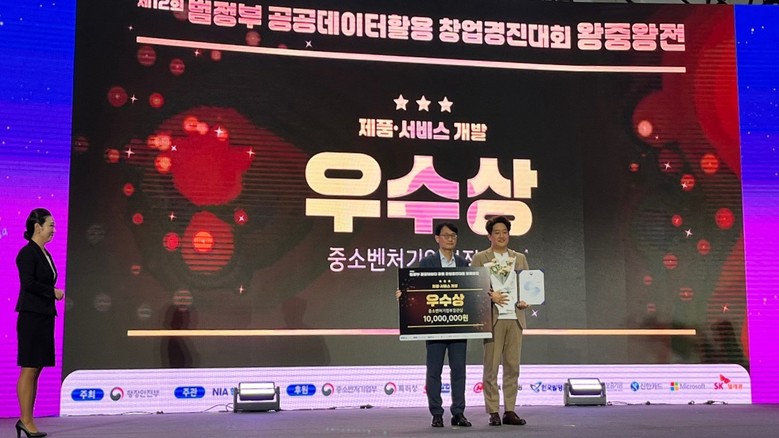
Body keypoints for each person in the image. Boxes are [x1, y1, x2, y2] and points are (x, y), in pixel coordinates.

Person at [396, 222, 472, 428]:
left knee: (459, 371)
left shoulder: (463, 263)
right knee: (433, 372)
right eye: (446, 235)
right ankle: (436, 413)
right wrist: (404, 295)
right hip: (434, 325)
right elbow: (417, 289)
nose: (450, 239)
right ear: (437, 238)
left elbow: (471, 293)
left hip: (458, 325)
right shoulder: (427, 262)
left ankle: (458, 413)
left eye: (453, 236)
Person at [470, 216, 530, 427]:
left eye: (505, 232)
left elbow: (528, 284)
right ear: (489, 236)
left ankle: (510, 410)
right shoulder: (480, 258)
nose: (501, 236)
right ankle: (493, 411)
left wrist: (526, 300)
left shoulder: (519, 258)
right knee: (491, 367)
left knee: (513, 366)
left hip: (515, 318)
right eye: (497, 232)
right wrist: (490, 296)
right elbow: (473, 288)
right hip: (492, 319)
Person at [15, 208, 64, 438]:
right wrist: (52, 292)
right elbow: (28, 283)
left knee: (37, 368)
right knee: (29, 367)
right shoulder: (27, 253)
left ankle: (27, 419)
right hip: (31, 316)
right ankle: (25, 421)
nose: (54, 229)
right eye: (51, 225)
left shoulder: (46, 254)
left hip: (44, 316)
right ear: (37, 227)